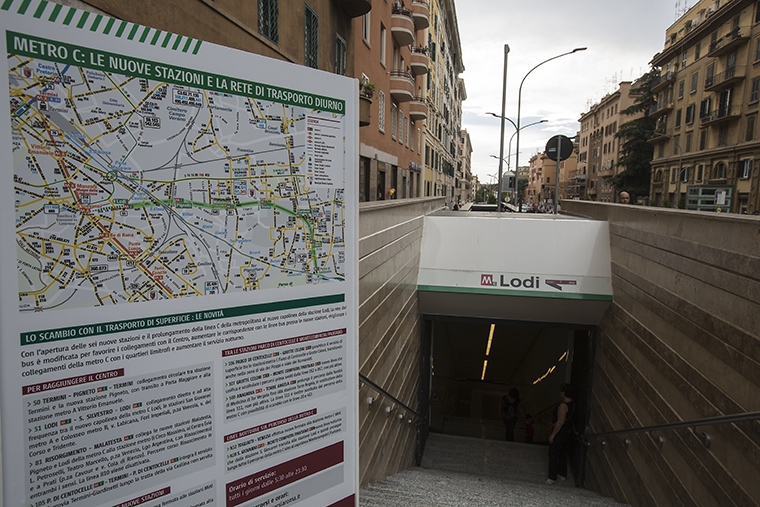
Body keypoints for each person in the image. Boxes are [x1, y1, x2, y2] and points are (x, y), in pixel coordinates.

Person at [546, 383, 575, 485]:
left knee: (553, 453)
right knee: (563, 452)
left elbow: (560, 422)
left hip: (561, 431)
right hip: (567, 430)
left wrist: (553, 434)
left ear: (564, 392)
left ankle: (552, 477)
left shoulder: (563, 406)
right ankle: (562, 473)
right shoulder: (572, 404)